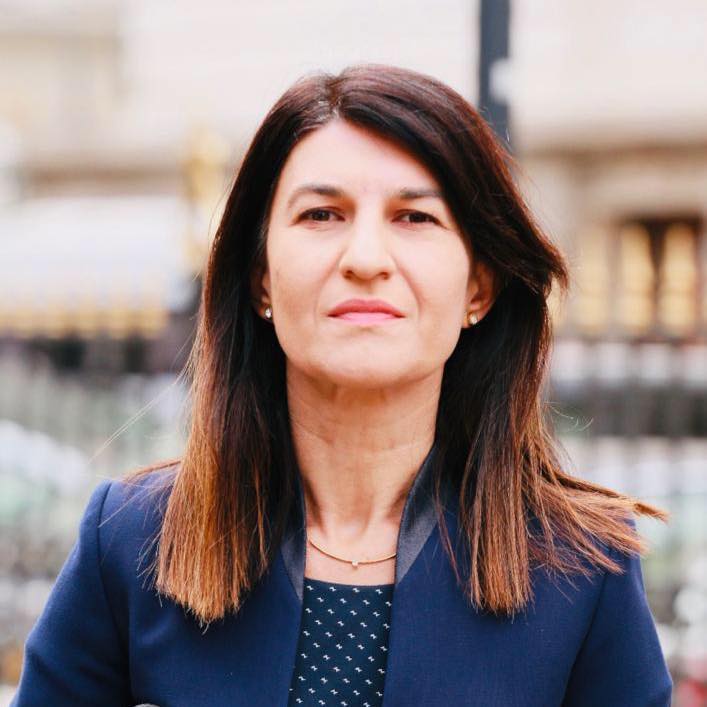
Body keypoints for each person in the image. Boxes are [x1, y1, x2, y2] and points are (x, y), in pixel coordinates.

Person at [12, 64, 672, 707]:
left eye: (414, 218)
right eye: (322, 214)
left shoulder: (583, 570)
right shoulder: (130, 542)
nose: (364, 259)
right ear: (261, 278)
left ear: (478, 286)